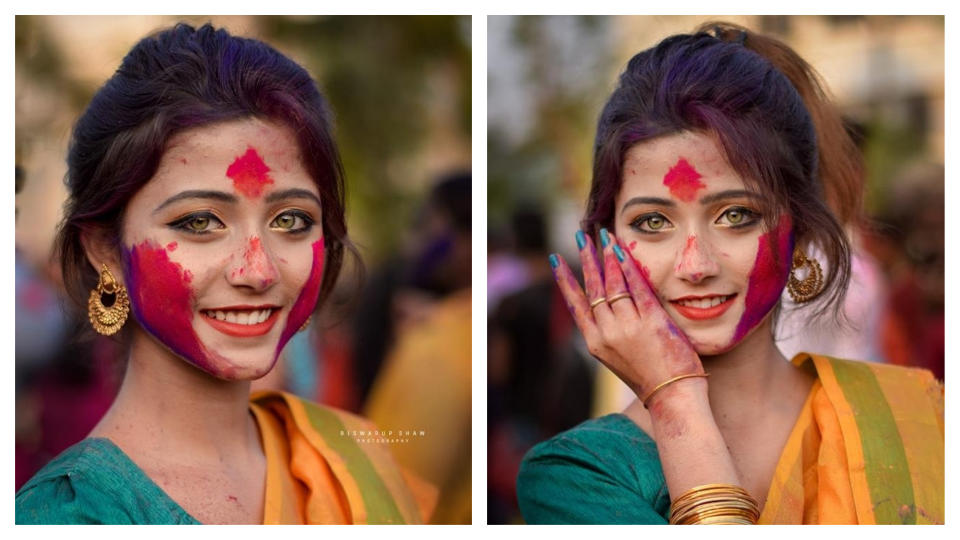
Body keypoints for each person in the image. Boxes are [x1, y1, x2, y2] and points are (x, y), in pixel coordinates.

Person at [516, 22, 943, 525]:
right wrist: (676, 401)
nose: (695, 265)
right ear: (604, 241)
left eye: (737, 215)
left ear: (800, 228)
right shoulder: (576, 475)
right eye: (653, 222)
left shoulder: (920, 419)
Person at [15, 23, 434, 524]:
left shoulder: (355, 458)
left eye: (291, 221)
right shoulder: (69, 516)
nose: (258, 271)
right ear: (106, 250)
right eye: (199, 222)